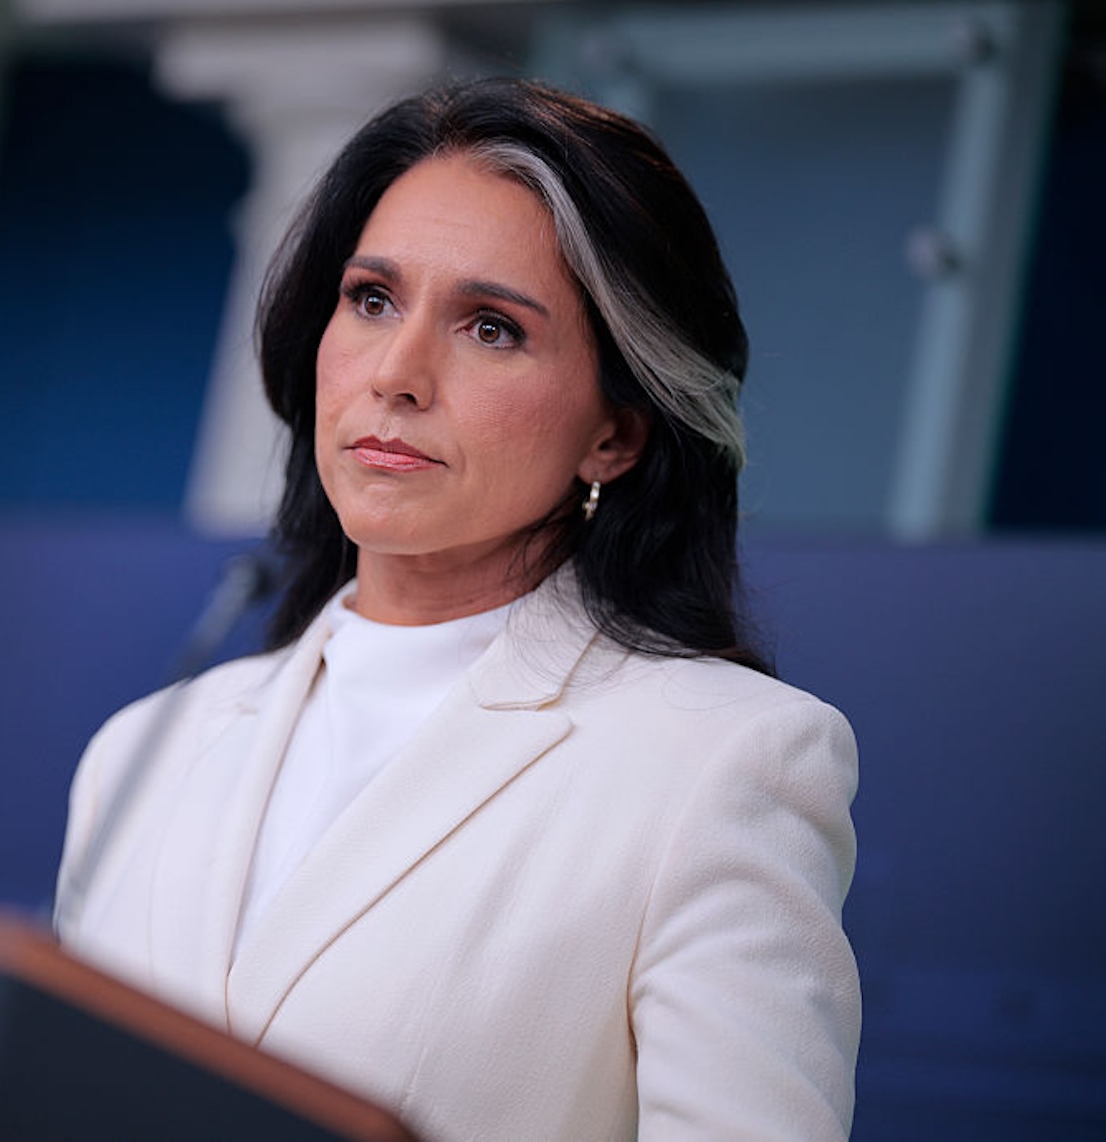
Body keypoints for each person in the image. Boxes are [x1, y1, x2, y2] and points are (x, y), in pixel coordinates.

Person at [54, 77, 859, 1141]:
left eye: (491, 327)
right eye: (372, 299)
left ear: (615, 432)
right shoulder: (145, 750)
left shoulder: (722, 762)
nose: (397, 372)